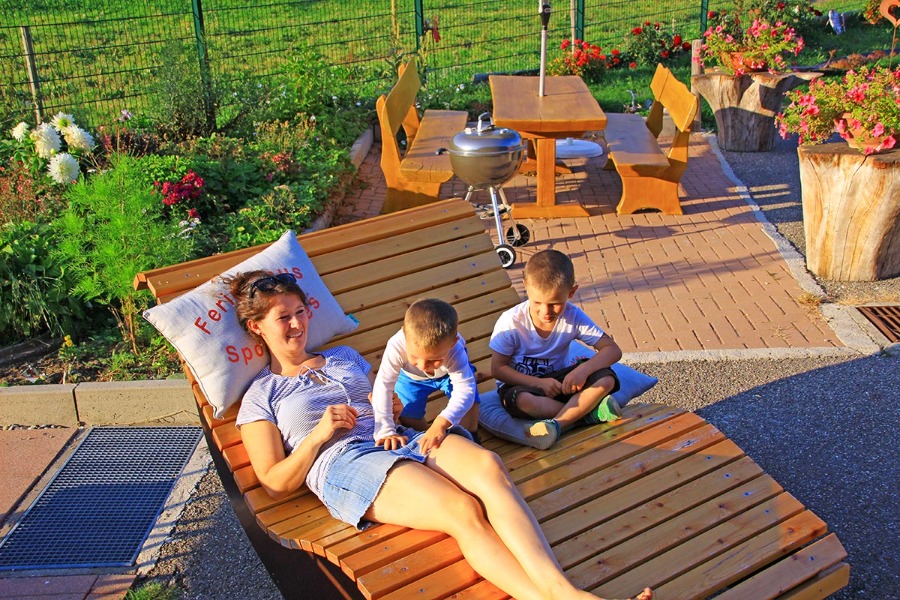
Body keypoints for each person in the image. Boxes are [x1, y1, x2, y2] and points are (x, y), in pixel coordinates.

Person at [229, 269, 652, 600]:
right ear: (257, 328)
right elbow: (274, 482)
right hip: (345, 462)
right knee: (462, 508)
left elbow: (386, 404)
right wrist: (319, 435)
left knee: (488, 467)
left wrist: (397, 412)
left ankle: (564, 590)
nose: (297, 323)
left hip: (397, 439)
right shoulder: (262, 394)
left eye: (301, 312)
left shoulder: (344, 357)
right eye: (283, 317)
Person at [490, 249, 624, 449]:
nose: (546, 311)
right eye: (537, 302)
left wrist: (582, 371)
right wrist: (538, 383)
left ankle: (557, 424)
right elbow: (498, 369)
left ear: (571, 292)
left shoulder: (573, 316)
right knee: (523, 401)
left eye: (555, 304)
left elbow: (612, 350)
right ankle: (587, 414)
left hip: (561, 382)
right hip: (522, 385)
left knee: (606, 378)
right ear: (526, 286)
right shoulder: (511, 322)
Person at [370, 298, 479, 454]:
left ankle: (471, 437)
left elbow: (465, 389)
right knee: (409, 414)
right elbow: (383, 386)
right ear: (405, 335)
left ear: (453, 343)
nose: (422, 366)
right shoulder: (396, 346)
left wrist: (441, 423)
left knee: (470, 405)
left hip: (448, 374)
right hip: (411, 378)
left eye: (434, 360)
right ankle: (426, 441)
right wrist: (385, 430)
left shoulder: (456, 350)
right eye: (415, 357)